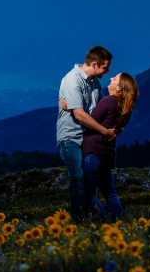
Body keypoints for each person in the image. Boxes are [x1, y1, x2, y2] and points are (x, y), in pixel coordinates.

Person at [60, 72, 139, 220]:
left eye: (115, 79)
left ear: (119, 89)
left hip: (95, 152)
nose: (110, 78)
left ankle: (104, 224)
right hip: (107, 154)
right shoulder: (123, 107)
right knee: (110, 193)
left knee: (88, 194)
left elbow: (90, 121)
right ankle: (119, 223)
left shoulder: (109, 101)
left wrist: (71, 109)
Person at [57, 46, 117, 221]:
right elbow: (80, 115)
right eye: (105, 67)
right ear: (94, 64)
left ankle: (96, 218)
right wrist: (105, 131)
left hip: (88, 137)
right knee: (77, 177)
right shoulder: (72, 80)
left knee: (91, 181)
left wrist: (75, 109)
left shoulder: (96, 83)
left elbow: (98, 111)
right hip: (71, 138)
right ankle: (78, 220)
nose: (107, 71)